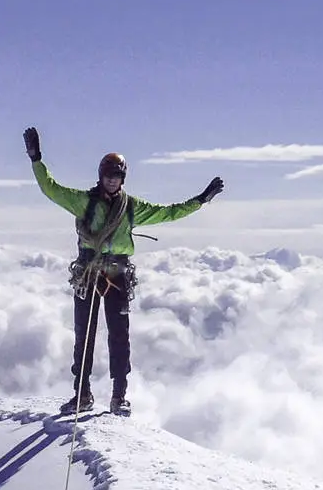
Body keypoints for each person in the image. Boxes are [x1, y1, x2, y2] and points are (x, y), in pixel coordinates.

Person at [23, 127, 223, 416]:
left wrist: (200, 201)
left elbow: (169, 212)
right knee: (85, 335)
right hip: (90, 275)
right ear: (101, 177)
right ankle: (82, 394)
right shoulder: (84, 201)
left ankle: (119, 396)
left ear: (122, 179)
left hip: (115, 276)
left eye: (116, 177)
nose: (112, 181)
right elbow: (51, 189)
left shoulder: (132, 208)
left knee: (119, 336)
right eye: (108, 177)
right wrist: (36, 159)